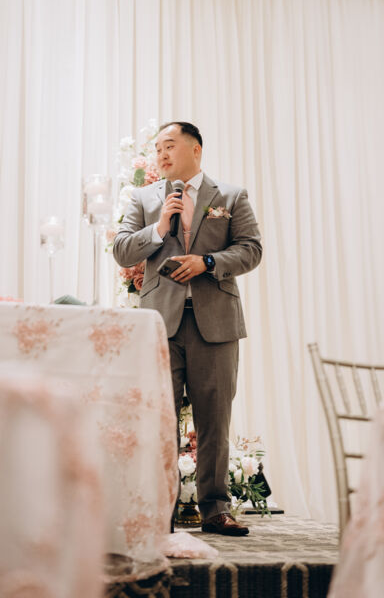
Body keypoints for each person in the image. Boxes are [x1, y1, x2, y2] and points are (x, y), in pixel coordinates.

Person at [113, 122, 262, 536]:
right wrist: (159, 228)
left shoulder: (230, 196)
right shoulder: (144, 198)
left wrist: (208, 262)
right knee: (159, 419)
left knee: (214, 420)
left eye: (170, 146)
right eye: (158, 148)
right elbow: (122, 249)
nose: (162, 154)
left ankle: (215, 510)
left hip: (216, 323)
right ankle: (159, 511)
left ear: (195, 149)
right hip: (160, 324)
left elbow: (251, 249)